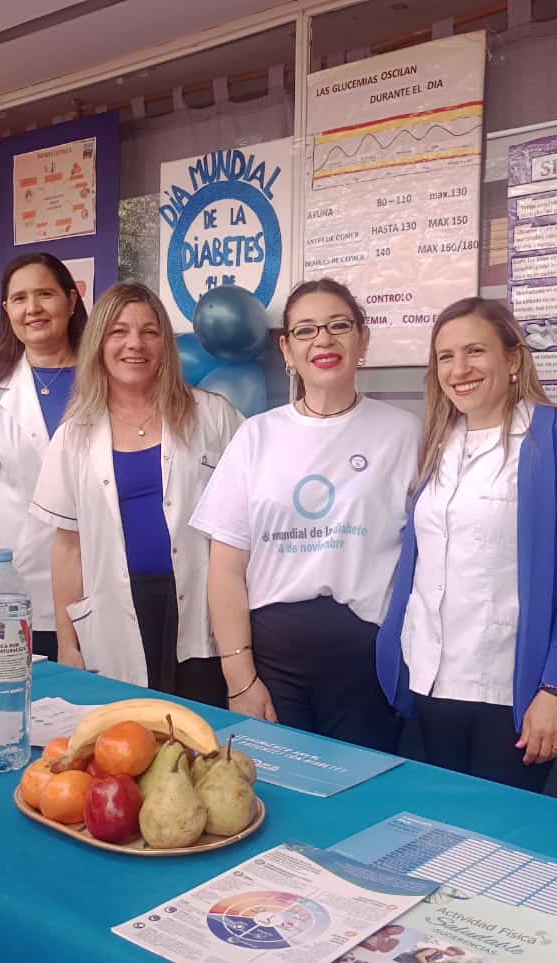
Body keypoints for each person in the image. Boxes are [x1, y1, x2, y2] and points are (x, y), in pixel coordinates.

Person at [375, 297, 557, 793]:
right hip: (432, 677)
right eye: (445, 356)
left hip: (512, 688)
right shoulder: (436, 442)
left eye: (475, 351)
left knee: (500, 828)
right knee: (444, 819)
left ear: (513, 358)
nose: (459, 369)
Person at [190, 278, 421, 753]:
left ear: (363, 339)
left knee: (363, 788)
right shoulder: (256, 436)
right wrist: (239, 677)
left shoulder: (404, 434)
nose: (324, 340)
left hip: (370, 667)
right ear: (286, 349)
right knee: (275, 787)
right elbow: (226, 570)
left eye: (339, 325)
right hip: (272, 665)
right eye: (306, 330)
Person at [31, 282, 241, 705]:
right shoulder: (74, 435)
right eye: (119, 332)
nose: (135, 344)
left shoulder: (212, 415)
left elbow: (247, 521)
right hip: (118, 610)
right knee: (127, 730)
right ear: (98, 344)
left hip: (201, 606)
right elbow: (68, 549)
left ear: (165, 344)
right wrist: (68, 645)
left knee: (202, 728)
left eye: (149, 331)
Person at [0, 253, 86, 660]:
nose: (33, 308)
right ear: (6, 309)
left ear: (71, 300)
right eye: (19, 298)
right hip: (9, 584)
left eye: (45, 294)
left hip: (92, 579)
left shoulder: (107, 381)